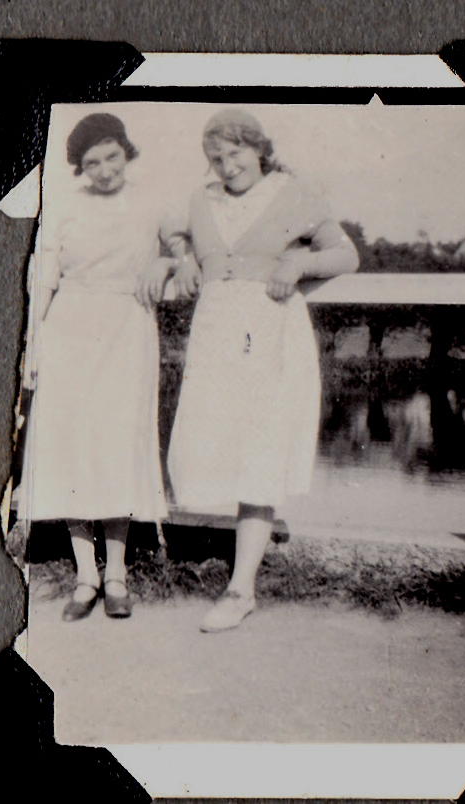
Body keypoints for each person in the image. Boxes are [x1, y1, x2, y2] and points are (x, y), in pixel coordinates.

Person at [147, 108, 359, 632]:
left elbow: (345, 255)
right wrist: (180, 258)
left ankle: (241, 590)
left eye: (236, 152)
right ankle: (234, 580)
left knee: (261, 455)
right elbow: (172, 231)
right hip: (216, 336)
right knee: (214, 447)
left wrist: (300, 263)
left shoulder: (292, 193)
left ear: (260, 149)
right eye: (216, 157)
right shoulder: (203, 200)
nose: (228, 165)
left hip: (269, 333)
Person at [23, 112, 184, 621]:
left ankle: (116, 574)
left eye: (112, 157)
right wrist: (33, 346)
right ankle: (85, 576)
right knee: (72, 446)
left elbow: (185, 248)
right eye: (93, 163)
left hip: (127, 329)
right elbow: (45, 281)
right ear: (80, 167)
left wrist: (165, 261)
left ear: (126, 152)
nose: (106, 170)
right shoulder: (65, 207)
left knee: (118, 443)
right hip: (69, 329)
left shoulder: (153, 201)